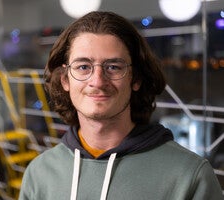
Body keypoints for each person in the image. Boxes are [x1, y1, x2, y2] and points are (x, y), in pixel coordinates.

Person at [19, 11, 223, 200]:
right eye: (83, 67)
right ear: (65, 79)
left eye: (113, 67)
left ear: (136, 79)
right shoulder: (39, 174)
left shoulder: (189, 177)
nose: (97, 81)